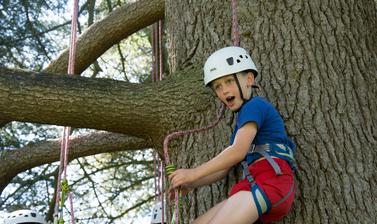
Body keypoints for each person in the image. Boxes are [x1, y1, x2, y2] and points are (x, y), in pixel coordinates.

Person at [169, 46, 297, 224]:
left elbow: (237, 152)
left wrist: (194, 173)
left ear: (249, 79)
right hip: (255, 184)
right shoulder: (241, 130)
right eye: (218, 87)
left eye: (229, 81)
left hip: (271, 180)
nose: (224, 91)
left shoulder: (255, 106)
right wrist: (192, 184)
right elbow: (223, 169)